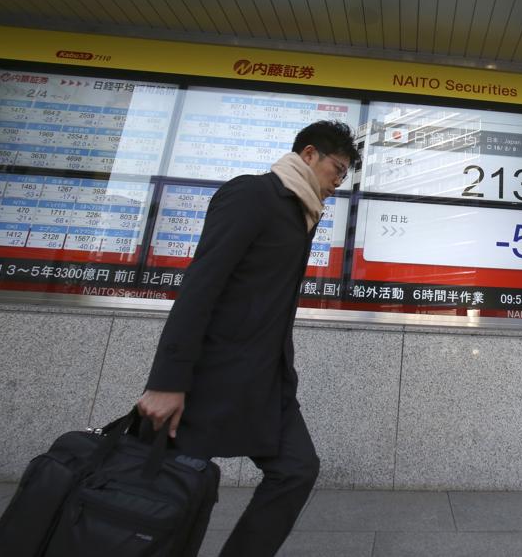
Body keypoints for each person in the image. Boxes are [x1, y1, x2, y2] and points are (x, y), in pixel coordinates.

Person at [136, 120, 359, 556]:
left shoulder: (301, 213)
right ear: (309, 154)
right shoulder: (253, 194)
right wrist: (167, 381)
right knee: (176, 491)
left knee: (297, 469)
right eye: (337, 169)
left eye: (345, 175)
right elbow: (201, 286)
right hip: (210, 376)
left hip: (265, 378)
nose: (338, 182)